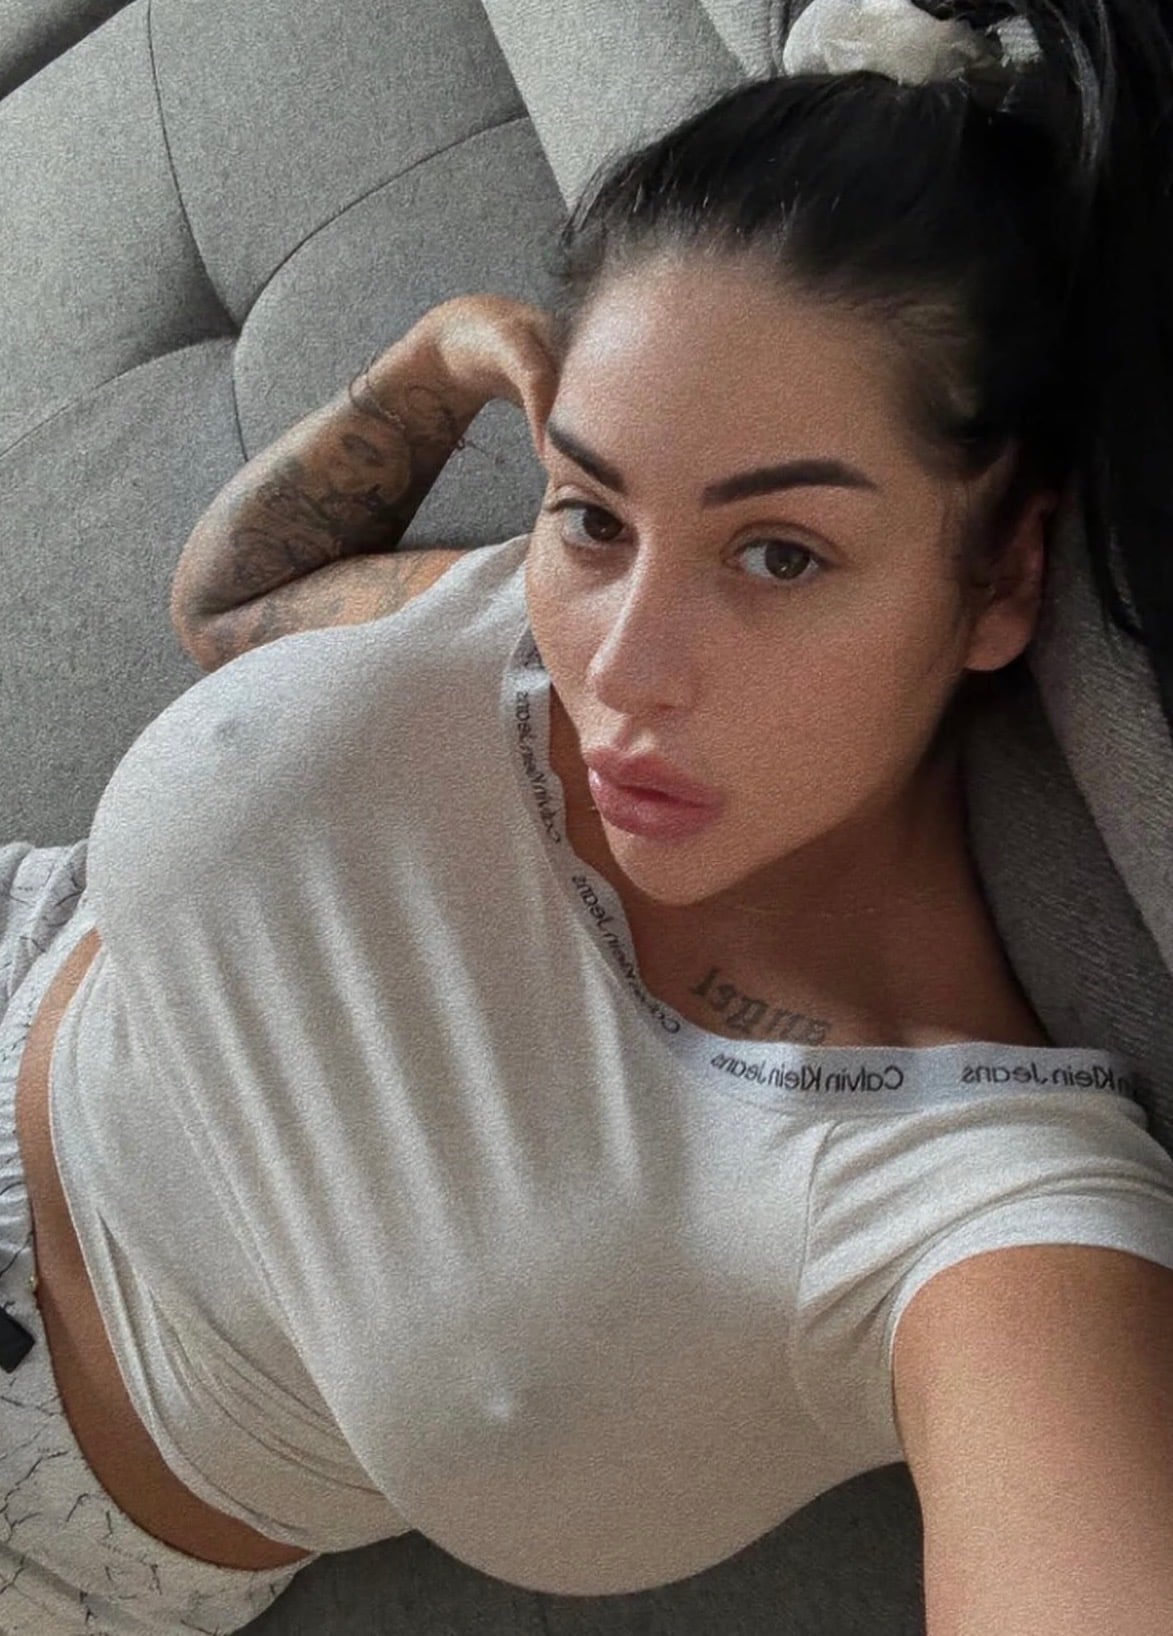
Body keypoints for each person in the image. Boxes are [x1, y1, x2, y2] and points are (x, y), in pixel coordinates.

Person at [3, 0, 1173, 1630]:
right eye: (595, 512)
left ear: (1002, 578)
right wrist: (435, 366)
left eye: (778, 555)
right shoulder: (520, 611)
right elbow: (229, 609)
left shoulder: (968, 1202)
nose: (620, 670)